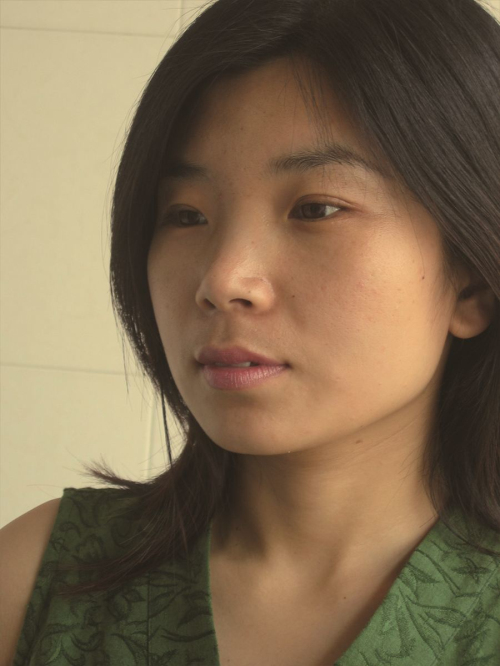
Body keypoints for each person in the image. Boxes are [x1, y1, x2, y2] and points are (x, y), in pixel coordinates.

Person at [1, 0, 499, 664]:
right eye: (185, 215)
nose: (223, 279)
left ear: (471, 282)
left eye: (316, 209)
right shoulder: (37, 585)